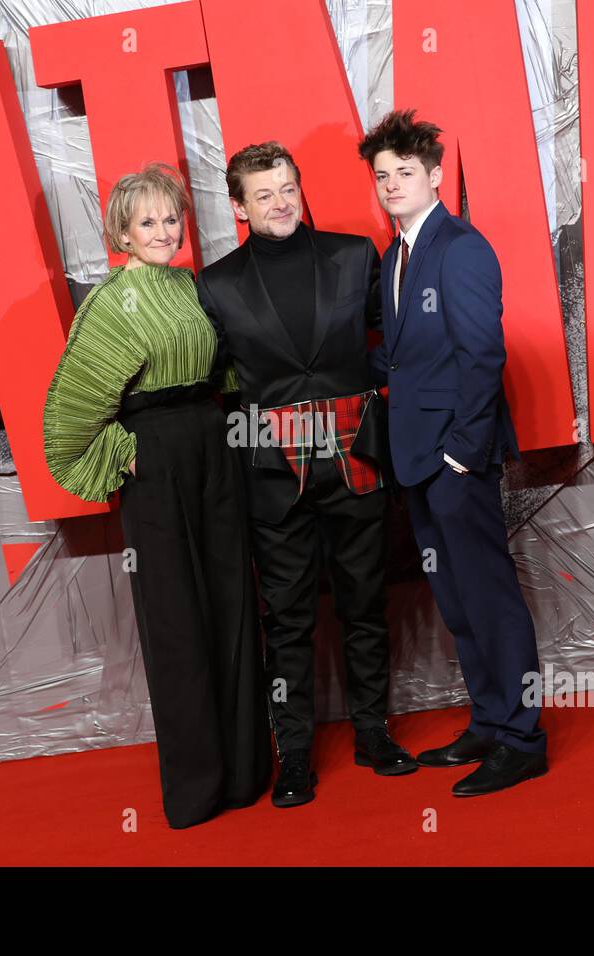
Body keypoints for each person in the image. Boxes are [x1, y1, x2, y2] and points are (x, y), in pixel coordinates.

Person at [42, 162, 271, 828]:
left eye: (172, 218)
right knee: (177, 620)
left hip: (214, 448)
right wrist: (128, 452)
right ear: (122, 230)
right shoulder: (112, 303)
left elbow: (222, 369)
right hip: (160, 461)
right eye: (149, 221)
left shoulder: (189, 285)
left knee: (232, 603)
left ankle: (246, 772)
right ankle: (198, 789)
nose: (165, 230)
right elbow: (67, 426)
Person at [197, 142, 417, 810]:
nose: (280, 201)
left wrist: (374, 405)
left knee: (363, 604)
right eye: (263, 194)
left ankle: (373, 733)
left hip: (357, 454)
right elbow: (212, 383)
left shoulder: (355, 256)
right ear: (239, 207)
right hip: (273, 473)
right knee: (287, 619)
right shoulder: (216, 284)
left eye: (287, 187)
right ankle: (293, 754)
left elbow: (400, 345)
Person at [357, 110, 548, 796]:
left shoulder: (461, 248)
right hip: (418, 457)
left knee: (491, 597)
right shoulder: (395, 256)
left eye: (404, 173)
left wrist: (465, 454)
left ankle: (524, 739)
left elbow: (483, 355)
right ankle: (492, 723)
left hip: (455, 459)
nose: (392, 185)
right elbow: (406, 360)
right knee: (458, 599)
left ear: (435, 175)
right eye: (382, 176)